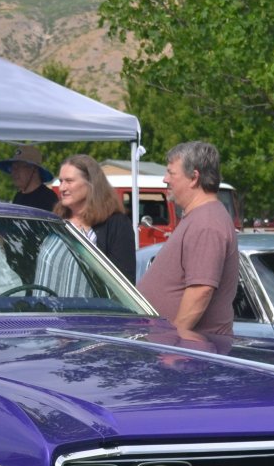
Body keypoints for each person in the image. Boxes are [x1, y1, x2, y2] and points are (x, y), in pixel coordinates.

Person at [136, 141, 238, 338]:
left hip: (189, 356)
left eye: (171, 173)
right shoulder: (200, 217)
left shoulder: (206, 223)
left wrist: (175, 341)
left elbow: (200, 290)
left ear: (194, 177)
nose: (165, 179)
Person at [53, 154, 137, 281]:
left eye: (69, 181)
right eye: (61, 181)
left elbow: (123, 280)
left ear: (90, 183)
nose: (62, 188)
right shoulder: (55, 220)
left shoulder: (116, 224)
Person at [0, 145, 58, 212]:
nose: (13, 172)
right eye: (12, 168)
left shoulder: (48, 198)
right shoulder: (18, 197)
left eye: (18, 167)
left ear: (34, 169)